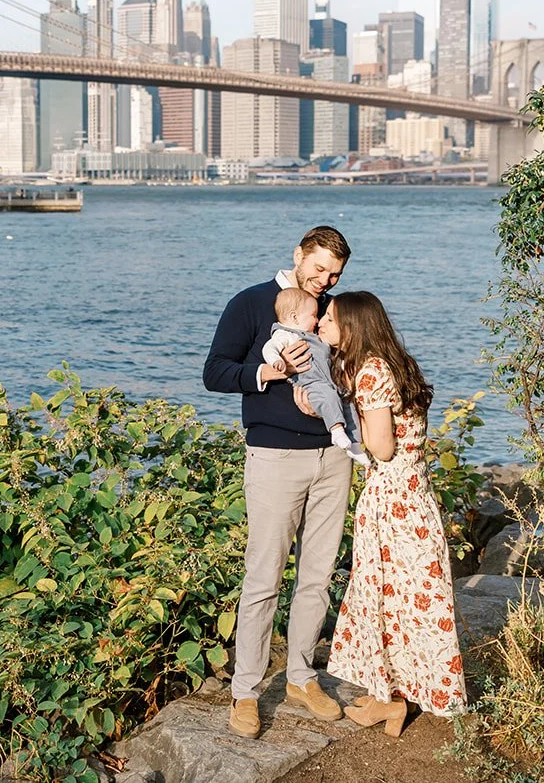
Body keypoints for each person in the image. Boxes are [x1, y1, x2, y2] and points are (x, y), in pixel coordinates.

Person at [203, 225, 353, 740]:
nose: (324, 280)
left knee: (317, 575)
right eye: (318, 269)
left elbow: (353, 369)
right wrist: (269, 372)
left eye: (334, 273)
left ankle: (301, 677)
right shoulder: (250, 303)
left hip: (333, 459)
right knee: (263, 578)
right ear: (298, 255)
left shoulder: (333, 312)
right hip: (273, 457)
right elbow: (215, 372)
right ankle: (245, 691)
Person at [318, 291, 465, 736]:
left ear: (353, 326)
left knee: (385, 596)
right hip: (415, 495)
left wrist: (351, 422)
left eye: (329, 317)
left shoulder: (370, 373)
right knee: (404, 599)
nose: (322, 321)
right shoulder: (396, 363)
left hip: (391, 502)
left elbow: (381, 446)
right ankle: (392, 697)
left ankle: (391, 702)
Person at [261, 288, 367, 466]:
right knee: (327, 396)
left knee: (347, 402)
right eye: (314, 316)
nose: (318, 321)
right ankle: (337, 431)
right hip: (311, 382)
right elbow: (269, 348)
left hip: (329, 379)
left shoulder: (315, 337)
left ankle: (355, 444)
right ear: (295, 317)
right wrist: (276, 361)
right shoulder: (286, 334)